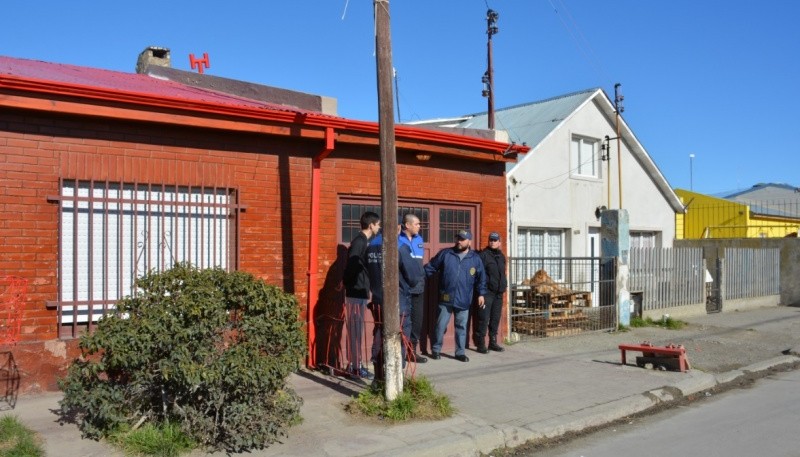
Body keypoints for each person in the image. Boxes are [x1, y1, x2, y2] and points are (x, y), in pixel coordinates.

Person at [366, 228, 424, 380]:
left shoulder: (371, 244)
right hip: (398, 301)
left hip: (377, 300)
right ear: (397, 227)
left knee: (379, 333)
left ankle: (378, 376)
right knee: (400, 336)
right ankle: (396, 379)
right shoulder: (398, 245)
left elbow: (366, 271)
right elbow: (414, 276)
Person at [424, 229, 486, 362]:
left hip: (464, 299)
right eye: (457, 238)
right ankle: (436, 349)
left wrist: (481, 294)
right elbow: (430, 268)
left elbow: (481, 279)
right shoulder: (446, 254)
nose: (459, 241)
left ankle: (460, 352)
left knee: (461, 327)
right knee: (440, 325)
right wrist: (418, 282)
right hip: (446, 297)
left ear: (469, 241)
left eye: (462, 239)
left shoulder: (475, 258)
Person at [342, 211, 381, 379]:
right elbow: (352, 265)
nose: (379, 227)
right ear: (371, 225)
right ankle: (355, 367)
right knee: (356, 331)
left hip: (360, 292)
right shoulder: (360, 242)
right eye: (378, 224)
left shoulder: (365, 241)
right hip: (356, 292)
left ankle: (354, 365)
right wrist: (345, 283)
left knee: (357, 330)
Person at [398, 213, 427, 363]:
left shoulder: (419, 239)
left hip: (418, 286)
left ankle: (412, 351)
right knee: (404, 321)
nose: (419, 226)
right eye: (417, 224)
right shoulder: (399, 240)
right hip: (403, 288)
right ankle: (402, 352)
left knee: (417, 320)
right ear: (407, 225)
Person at [474, 231, 507, 353]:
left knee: (495, 318)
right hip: (487, 292)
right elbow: (479, 275)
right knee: (484, 318)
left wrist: (504, 285)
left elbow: (502, 273)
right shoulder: (483, 255)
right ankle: (480, 344)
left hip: (498, 293)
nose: (492, 242)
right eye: (491, 240)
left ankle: (493, 342)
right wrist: (481, 293)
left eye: (495, 240)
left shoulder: (501, 256)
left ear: (499, 242)